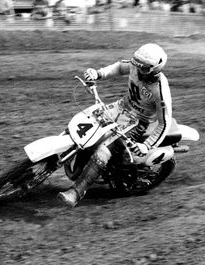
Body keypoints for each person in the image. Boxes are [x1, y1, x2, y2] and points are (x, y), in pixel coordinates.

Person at [57, 43, 172, 207]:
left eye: (144, 69)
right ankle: (71, 161)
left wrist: (146, 146)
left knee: (104, 149)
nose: (139, 70)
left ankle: (76, 192)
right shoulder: (136, 66)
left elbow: (164, 123)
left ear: (155, 69)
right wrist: (98, 74)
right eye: (137, 65)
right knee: (87, 122)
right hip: (121, 106)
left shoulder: (160, 90)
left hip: (139, 121)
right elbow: (119, 67)